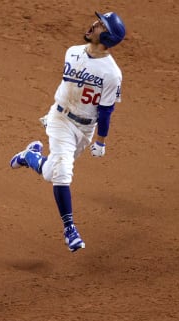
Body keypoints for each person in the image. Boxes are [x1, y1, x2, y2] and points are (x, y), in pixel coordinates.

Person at [10, 11, 126, 252]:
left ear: (108, 37)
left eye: (100, 25)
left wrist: (101, 140)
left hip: (84, 129)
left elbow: (105, 111)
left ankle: (29, 156)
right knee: (63, 173)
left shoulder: (112, 74)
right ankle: (69, 228)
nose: (93, 25)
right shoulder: (72, 51)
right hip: (60, 118)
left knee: (52, 172)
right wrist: (56, 114)